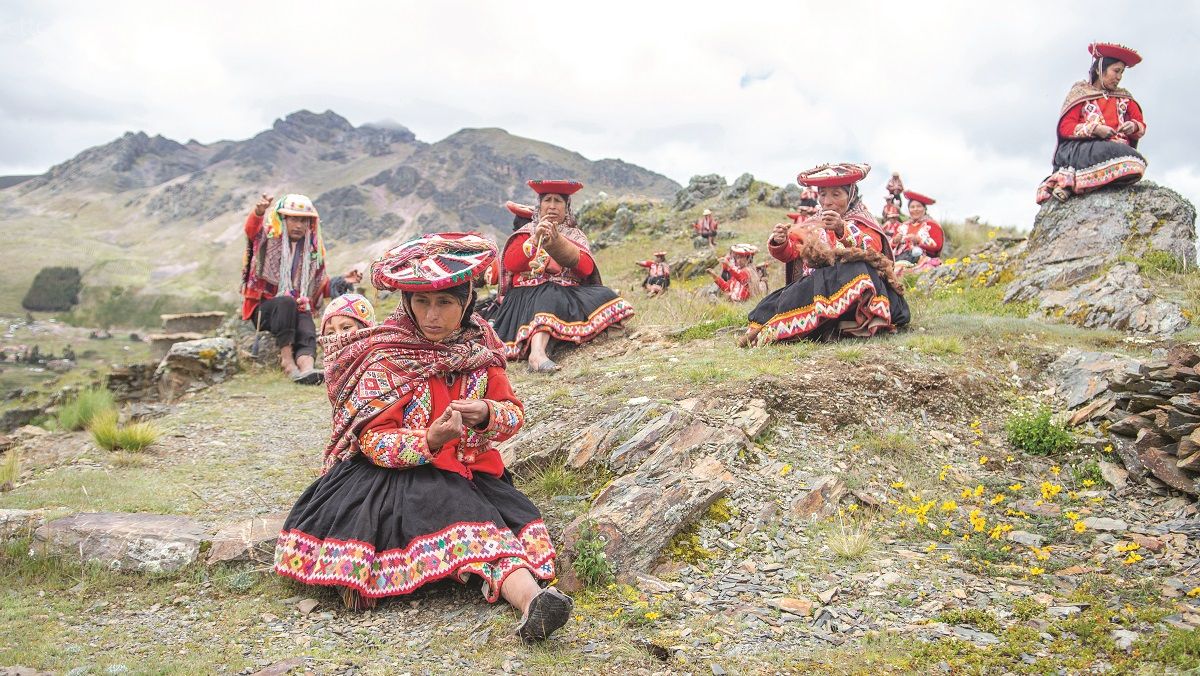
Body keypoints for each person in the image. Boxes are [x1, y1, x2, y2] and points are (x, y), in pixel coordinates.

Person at [274, 232, 571, 642]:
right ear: (407, 302)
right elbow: (370, 441)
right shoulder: (386, 356)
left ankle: (534, 604)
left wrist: (486, 414)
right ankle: (525, 598)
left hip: (469, 474)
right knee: (469, 520)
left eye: (445, 302)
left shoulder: (479, 353)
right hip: (391, 478)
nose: (432, 315)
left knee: (494, 527)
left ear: (466, 302)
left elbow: (513, 415)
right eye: (422, 302)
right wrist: (427, 441)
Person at [741, 163, 909, 346]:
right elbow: (793, 253)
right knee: (770, 306)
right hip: (818, 286)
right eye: (823, 194)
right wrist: (781, 242)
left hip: (857, 293)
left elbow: (873, 252)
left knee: (857, 270)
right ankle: (783, 329)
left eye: (836, 194)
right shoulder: (812, 223)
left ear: (851, 195)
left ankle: (835, 325)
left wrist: (841, 229)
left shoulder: (863, 220)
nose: (827, 201)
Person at [489, 180, 635, 372]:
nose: (551, 206)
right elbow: (511, 263)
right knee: (548, 293)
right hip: (525, 296)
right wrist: (535, 241)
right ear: (539, 206)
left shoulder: (576, 236)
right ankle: (537, 355)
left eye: (558, 201)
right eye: (547, 200)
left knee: (605, 295)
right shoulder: (525, 233)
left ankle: (553, 342)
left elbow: (586, 269)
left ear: (567, 208)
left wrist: (558, 244)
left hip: (566, 293)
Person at [1037, 43, 1146, 204]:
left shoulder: (1125, 98)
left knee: (1137, 163)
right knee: (1122, 157)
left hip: (1116, 150)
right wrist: (1095, 129)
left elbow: (1141, 126)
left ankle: (1075, 186)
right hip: (1083, 150)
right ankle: (1070, 183)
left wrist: (1134, 126)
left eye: (1122, 73)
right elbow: (1065, 128)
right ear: (1099, 70)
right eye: (1116, 71)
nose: (1119, 77)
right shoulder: (1080, 93)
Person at [892, 191, 945, 272]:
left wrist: (918, 239)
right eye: (912, 207)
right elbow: (891, 245)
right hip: (901, 258)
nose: (915, 209)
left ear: (925, 208)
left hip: (924, 259)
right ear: (909, 209)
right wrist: (895, 241)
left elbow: (937, 245)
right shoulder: (903, 226)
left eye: (919, 206)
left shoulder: (931, 225)